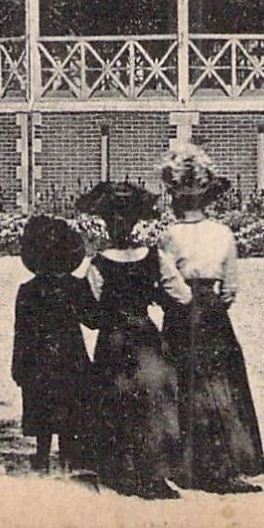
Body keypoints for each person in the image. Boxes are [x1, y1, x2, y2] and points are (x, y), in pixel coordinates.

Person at [157, 144, 264, 493]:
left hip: (180, 313)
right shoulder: (223, 234)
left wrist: (178, 305)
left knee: (182, 383)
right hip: (214, 314)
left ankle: (186, 463)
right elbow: (230, 287)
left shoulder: (169, 237)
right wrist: (214, 308)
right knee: (221, 384)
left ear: (174, 196)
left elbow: (165, 282)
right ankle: (225, 462)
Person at [75, 180, 191, 500]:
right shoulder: (154, 258)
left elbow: (90, 315)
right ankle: (154, 474)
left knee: (116, 401)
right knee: (152, 400)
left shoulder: (98, 265)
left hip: (114, 339)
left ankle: (120, 471)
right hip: (144, 336)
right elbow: (182, 296)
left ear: (108, 223)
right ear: (136, 222)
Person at [12, 215, 95, 475]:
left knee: (42, 407)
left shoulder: (28, 290)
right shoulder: (74, 286)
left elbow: (21, 331)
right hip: (70, 353)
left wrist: (18, 364)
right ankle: (68, 457)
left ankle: (42, 455)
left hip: (38, 355)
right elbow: (91, 319)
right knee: (70, 407)